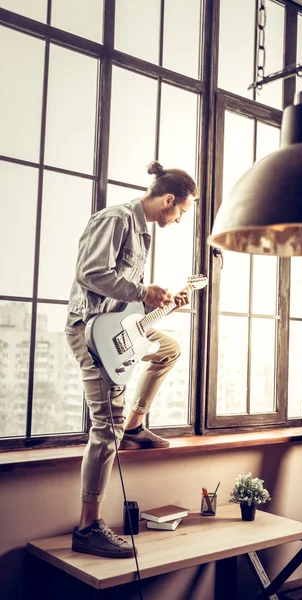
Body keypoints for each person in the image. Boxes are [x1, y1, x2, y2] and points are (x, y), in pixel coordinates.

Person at [65, 160, 198, 558]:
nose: (178, 220)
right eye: (181, 212)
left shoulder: (143, 233)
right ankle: (88, 526)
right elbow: (91, 274)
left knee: (170, 349)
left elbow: (125, 303)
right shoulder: (118, 219)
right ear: (169, 200)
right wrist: (144, 291)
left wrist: (164, 303)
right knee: (106, 431)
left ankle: (137, 425)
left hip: (115, 327)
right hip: (90, 331)